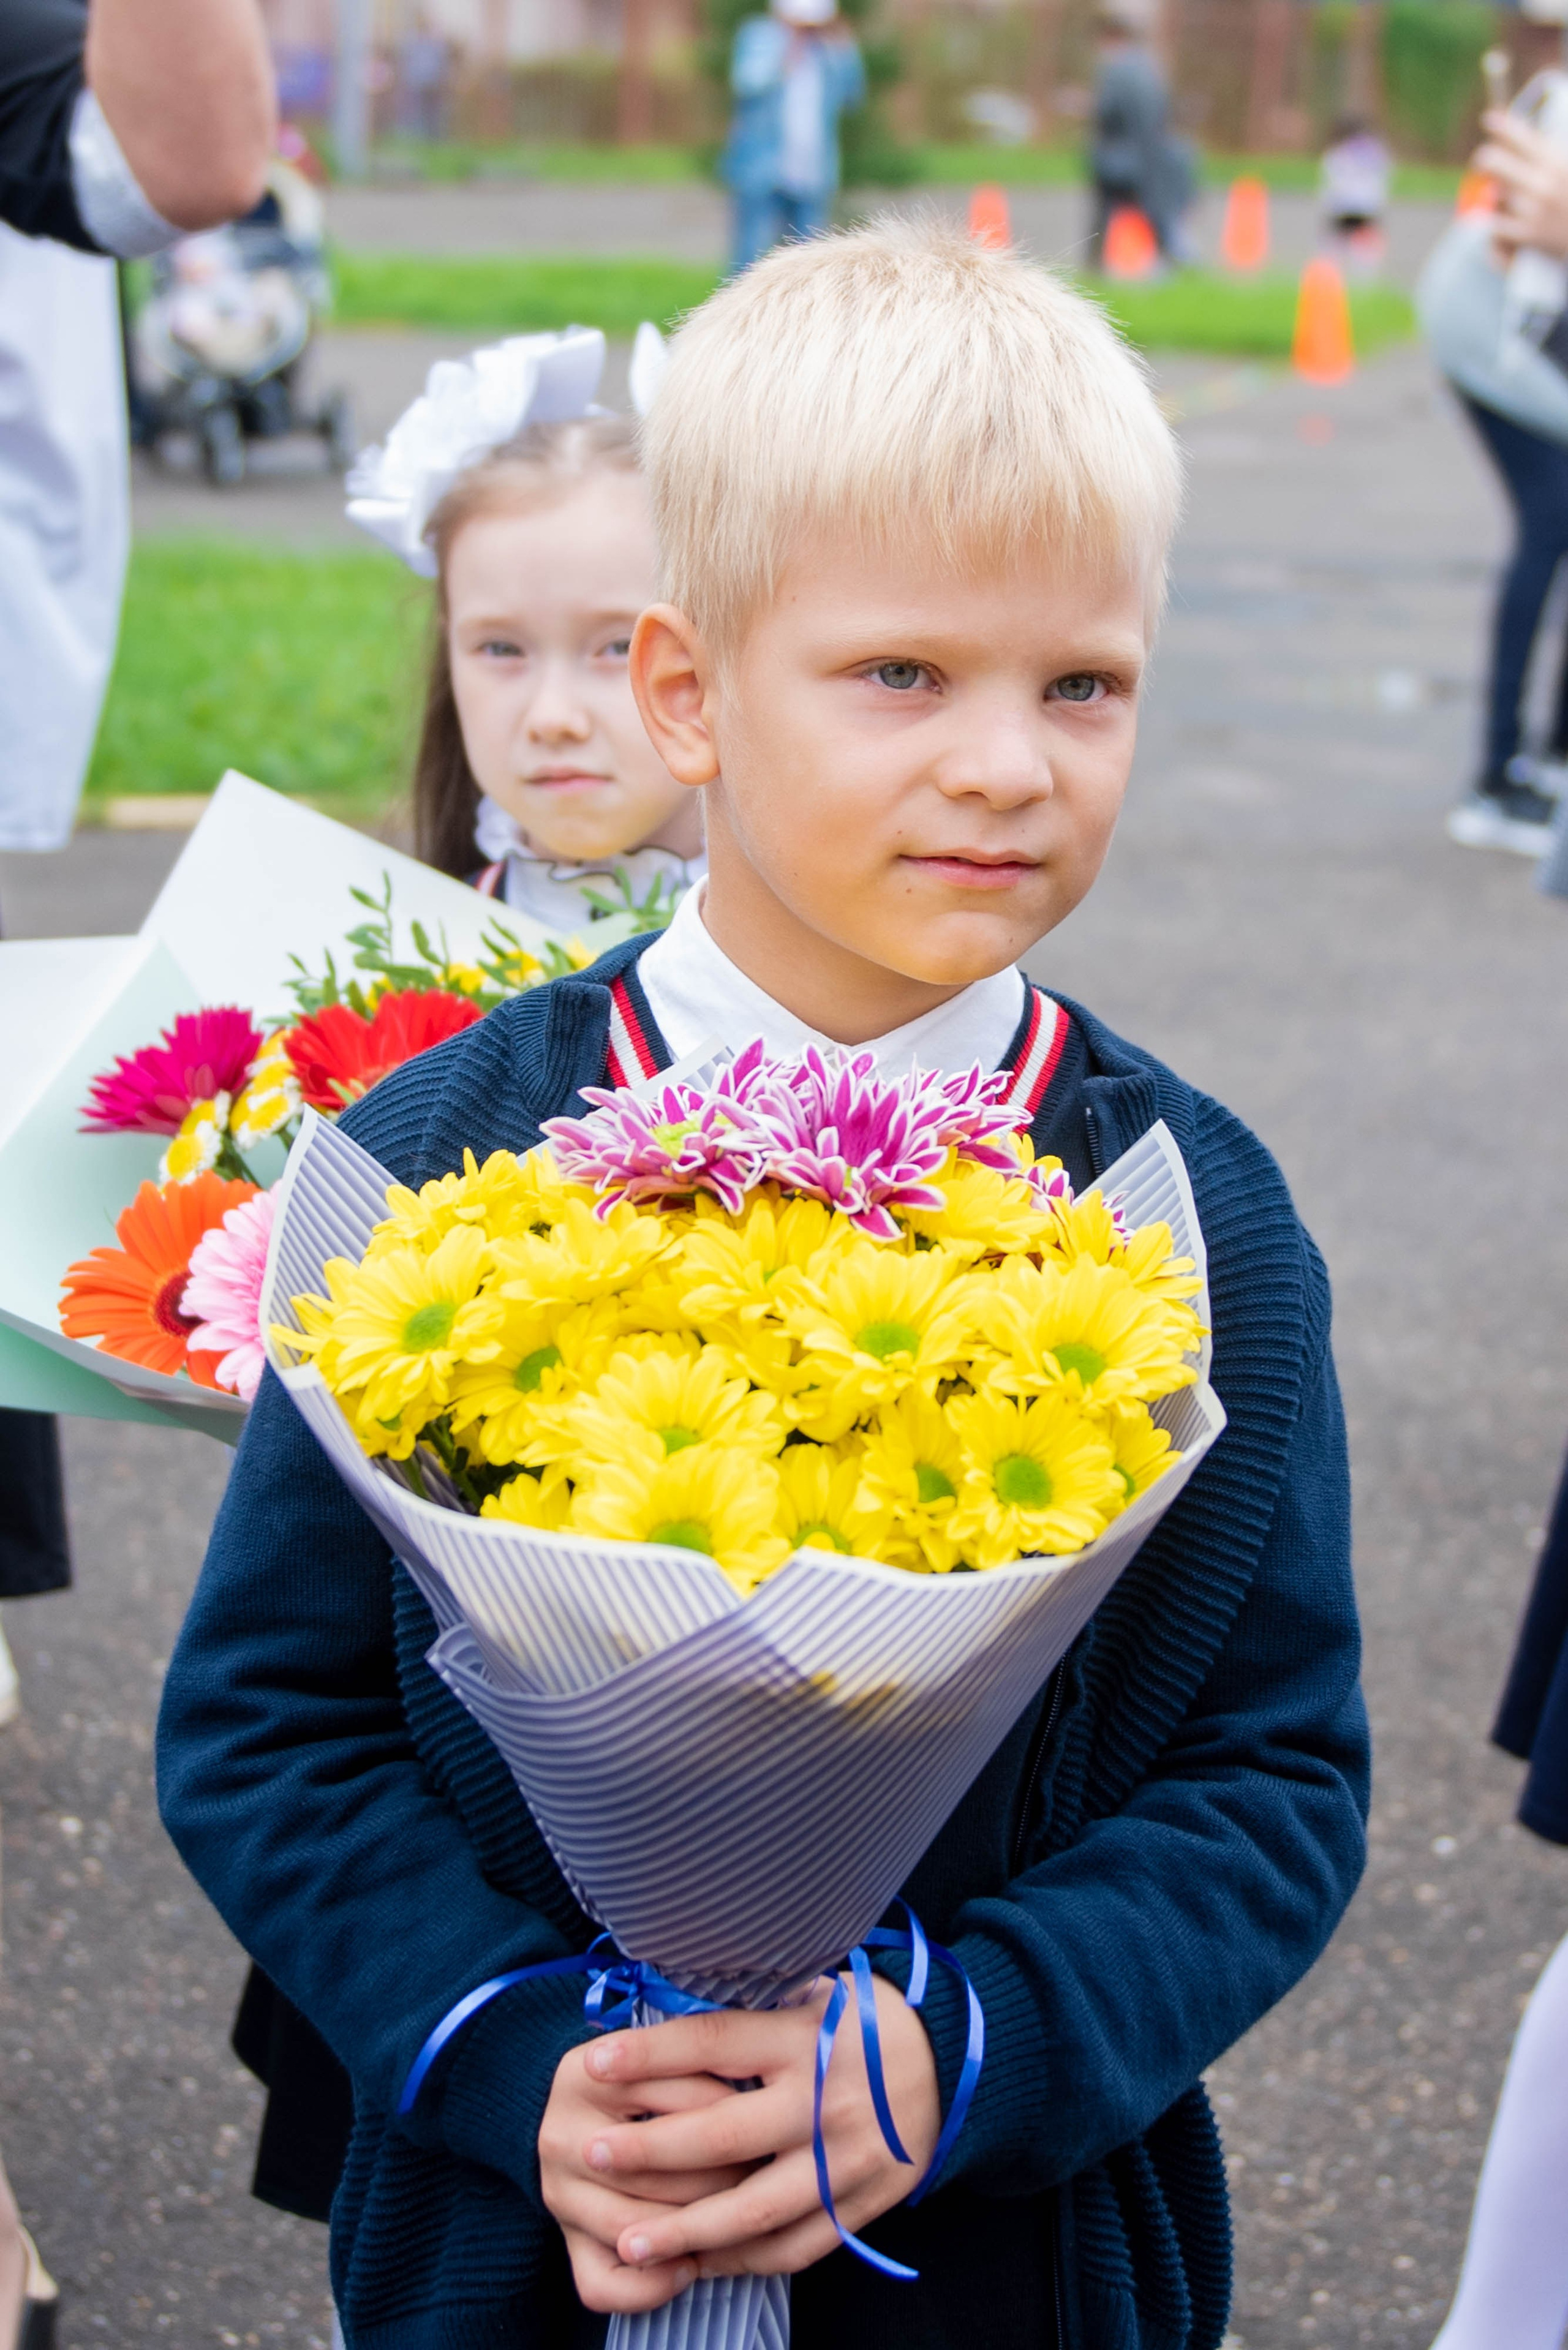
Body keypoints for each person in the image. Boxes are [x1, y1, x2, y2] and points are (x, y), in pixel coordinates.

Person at [156, 218, 1369, 2349]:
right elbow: (270, 1721)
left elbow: (1273, 1776)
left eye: (1081, 681)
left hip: (1010, 2257)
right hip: (522, 2237)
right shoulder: (444, 1153)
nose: (1009, 759)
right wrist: (516, 2048)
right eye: (903, 672)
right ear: (686, 690)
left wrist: (969, 2040)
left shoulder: (1194, 1215)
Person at [228, 327, 708, 2237]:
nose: (555, 709)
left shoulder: (783, 969)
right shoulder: (391, 964)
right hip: (412, 1694)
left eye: (613, 645)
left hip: (678, 1639)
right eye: (499, 649)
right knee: (435, 2156)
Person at [1434, 105, 1568, 854]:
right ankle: (1498, 777)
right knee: (1552, 518)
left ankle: (1548, 759)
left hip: (1530, 327)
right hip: (1488, 324)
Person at [721, 0, 865, 276]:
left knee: (806, 266)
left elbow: (853, 96)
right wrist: (786, 50)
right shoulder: (760, 35)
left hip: (812, 170)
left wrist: (843, 47)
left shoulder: (827, 48)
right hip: (761, 168)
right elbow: (746, 83)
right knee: (748, 260)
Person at [1087, 0, 1193, 266]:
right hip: (1154, 157)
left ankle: (1096, 265)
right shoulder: (1149, 69)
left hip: (1118, 161)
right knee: (1155, 213)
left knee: (1106, 217)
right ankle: (1172, 258)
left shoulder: (1114, 70)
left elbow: (1107, 112)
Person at [1319, 115, 1390, 275]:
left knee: (1334, 246)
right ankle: (1364, 279)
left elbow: (1332, 180)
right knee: (1365, 247)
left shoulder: (1338, 153)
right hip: (1368, 205)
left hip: (1343, 205)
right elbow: (1384, 177)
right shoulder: (1375, 151)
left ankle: (1328, 276)